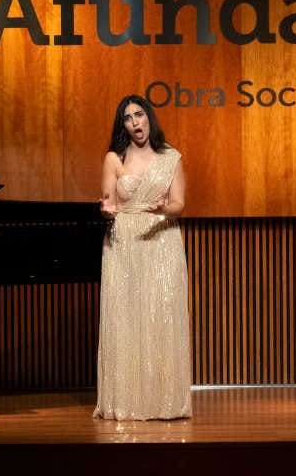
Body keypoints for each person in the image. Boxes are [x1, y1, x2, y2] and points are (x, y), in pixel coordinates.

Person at [92, 94, 192, 421]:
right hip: (123, 244)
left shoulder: (171, 157)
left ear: (149, 117)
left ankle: (163, 403)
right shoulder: (113, 159)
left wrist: (163, 208)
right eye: (128, 117)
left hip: (162, 239)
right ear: (123, 125)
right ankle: (126, 401)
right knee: (125, 317)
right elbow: (109, 204)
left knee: (161, 316)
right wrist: (106, 212)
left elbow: (179, 203)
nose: (135, 122)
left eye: (139, 114)